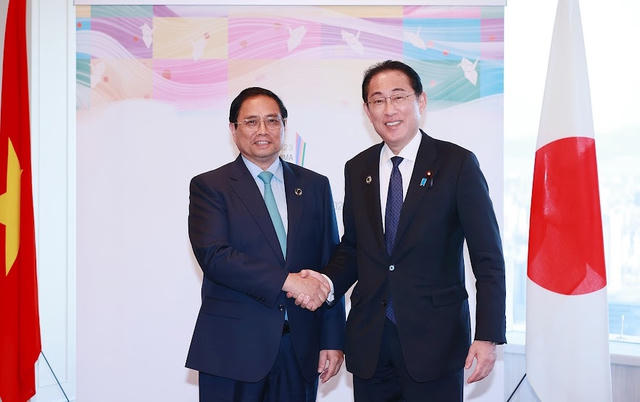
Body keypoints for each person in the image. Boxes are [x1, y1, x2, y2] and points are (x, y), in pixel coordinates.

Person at [297, 60, 506, 401]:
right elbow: (354, 247)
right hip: (371, 343)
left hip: (435, 343)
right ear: (367, 110)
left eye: (398, 97)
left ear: (420, 101)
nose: (389, 109)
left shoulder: (457, 164)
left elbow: (488, 258)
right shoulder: (358, 168)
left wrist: (488, 335)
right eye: (378, 100)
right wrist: (326, 282)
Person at [186, 87, 345, 402]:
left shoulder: (314, 185)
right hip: (233, 349)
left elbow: (330, 262)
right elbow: (215, 256)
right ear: (233, 129)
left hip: (299, 349)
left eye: (272, 121)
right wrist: (288, 281)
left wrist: (332, 339)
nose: (263, 130)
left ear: (284, 126)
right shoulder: (210, 186)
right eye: (251, 122)